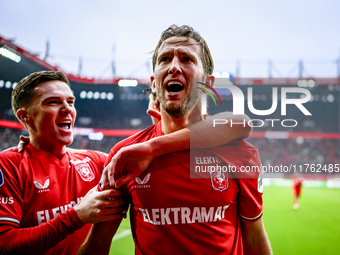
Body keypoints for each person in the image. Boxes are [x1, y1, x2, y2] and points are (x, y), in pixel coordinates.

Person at [79, 25, 272, 255]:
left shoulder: (241, 154)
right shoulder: (125, 155)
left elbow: (255, 242)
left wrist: (153, 148)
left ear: (208, 85)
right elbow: (96, 245)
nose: (174, 67)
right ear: (153, 83)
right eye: (165, 59)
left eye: (187, 59)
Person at [0, 71, 126, 255]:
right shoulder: (8, 165)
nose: (67, 108)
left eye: (71, 102)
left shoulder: (94, 161)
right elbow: (4, 244)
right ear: (25, 116)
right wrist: (76, 216)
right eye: (53, 102)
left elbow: (145, 166)